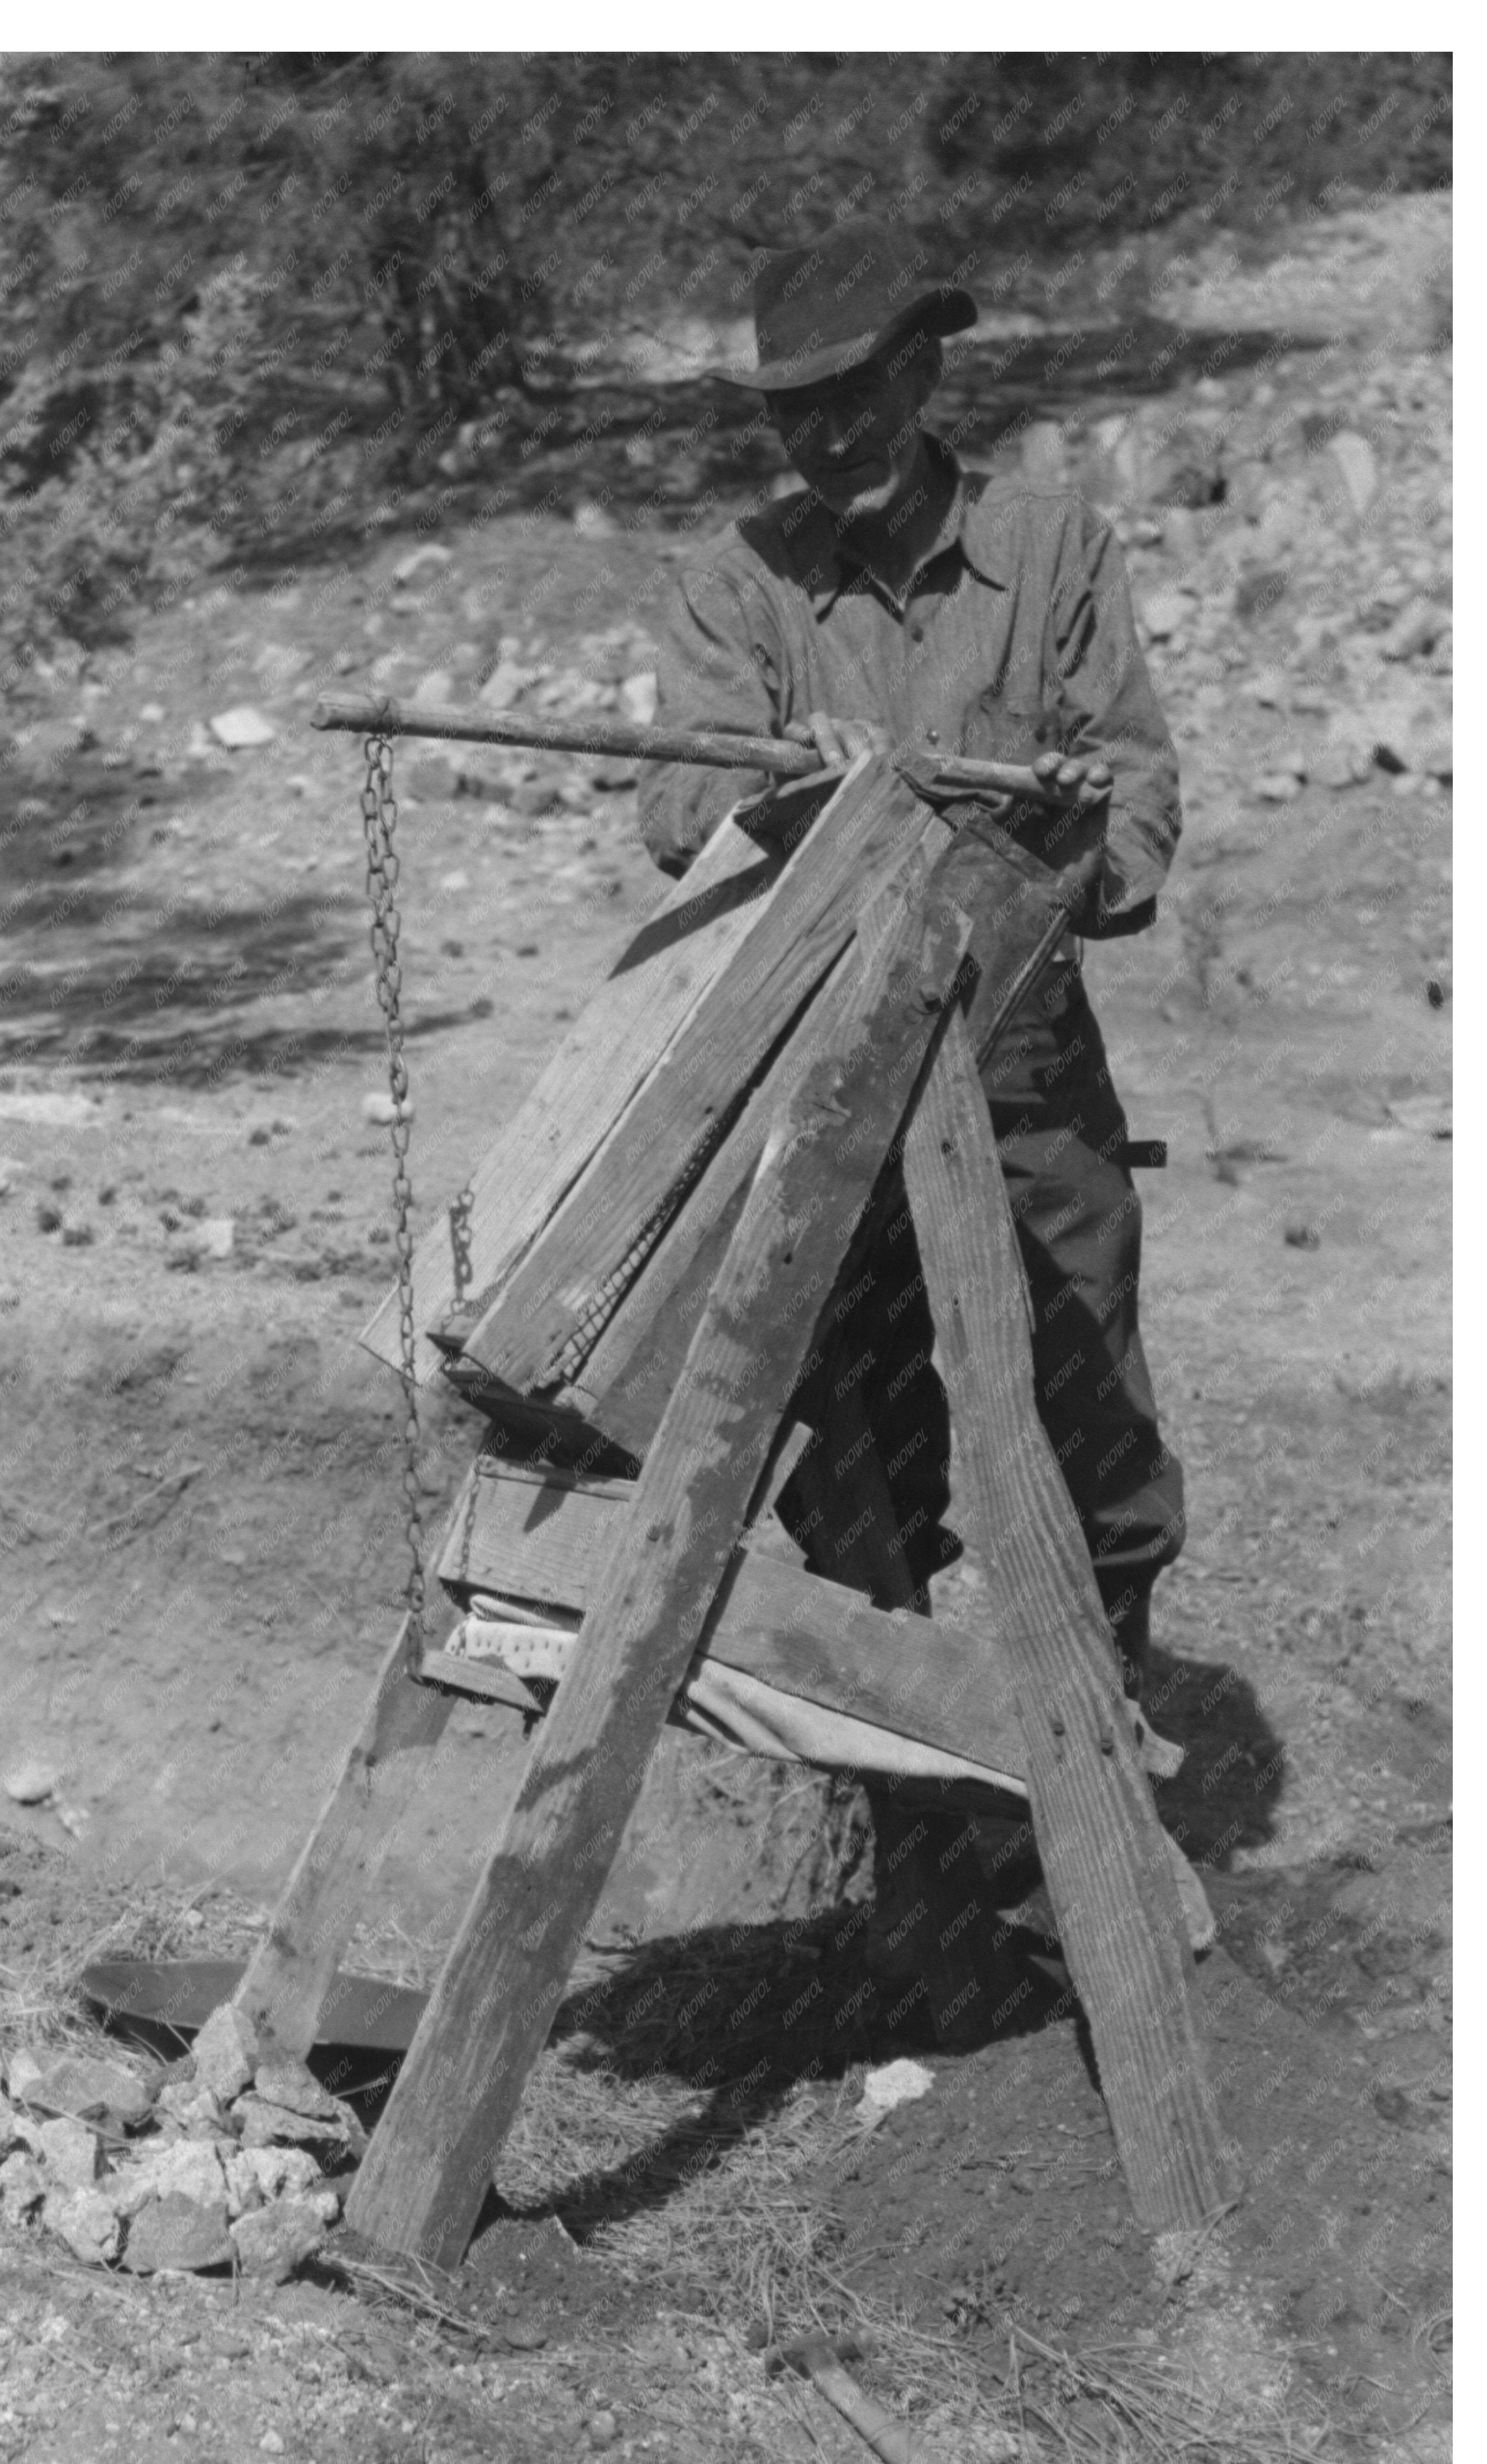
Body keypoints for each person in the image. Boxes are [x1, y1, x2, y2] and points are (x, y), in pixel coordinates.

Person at [639, 217, 1185, 1710]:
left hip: (1021, 1062)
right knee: (852, 1461)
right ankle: (902, 1791)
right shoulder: (733, 582)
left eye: (856, 398)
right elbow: (674, 802)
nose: (830, 440)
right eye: (796, 414)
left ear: (923, 375)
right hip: (825, 1077)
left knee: (1090, 1422)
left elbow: (1135, 779)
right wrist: (778, 787)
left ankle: (1098, 1740)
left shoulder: (1049, 545)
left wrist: (1076, 845)